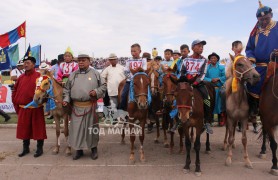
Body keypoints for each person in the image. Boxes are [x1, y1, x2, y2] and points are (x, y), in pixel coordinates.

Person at [63, 53, 106, 160]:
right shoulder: (73, 75)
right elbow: (67, 90)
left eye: (83, 60)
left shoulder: (96, 73)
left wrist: (96, 92)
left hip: (90, 106)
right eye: (79, 60)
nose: (81, 62)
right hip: (76, 107)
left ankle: (94, 149)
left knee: (91, 129)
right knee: (77, 130)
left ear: (89, 61)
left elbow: (104, 86)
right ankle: (79, 150)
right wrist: (66, 100)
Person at [12, 56, 47, 158]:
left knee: (38, 129)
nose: (25, 65)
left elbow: (45, 92)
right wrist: (16, 102)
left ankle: (39, 148)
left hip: (36, 108)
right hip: (24, 108)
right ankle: (25, 148)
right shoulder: (21, 78)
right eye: (24, 63)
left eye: (28, 62)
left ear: (33, 64)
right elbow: (15, 90)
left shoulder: (40, 77)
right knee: (24, 129)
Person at [180, 40, 213, 134]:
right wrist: (185, 80)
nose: (201, 48)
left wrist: (196, 82)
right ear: (192, 48)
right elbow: (182, 72)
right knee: (177, 96)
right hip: (186, 82)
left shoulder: (204, 60)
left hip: (198, 83)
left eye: (202, 47)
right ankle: (177, 120)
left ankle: (207, 121)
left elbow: (203, 73)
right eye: (199, 46)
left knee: (207, 98)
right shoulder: (186, 60)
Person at [119, 43, 147, 111]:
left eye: (135, 51)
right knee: (123, 95)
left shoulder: (143, 60)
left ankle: (150, 113)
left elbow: (144, 70)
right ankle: (122, 110)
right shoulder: (128, 60)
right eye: (131, 51)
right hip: (130, 81)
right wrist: (132, 78)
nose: (133, 53)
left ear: (140, 51)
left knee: (150, 95)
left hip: (141, 83)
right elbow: (125, 71)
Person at [101, 53, 125, 122]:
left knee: (121, 105)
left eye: (114, 59)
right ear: (109, 60)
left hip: (121, 91)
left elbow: (127, 77)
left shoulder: (122, 68)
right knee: (113, 105)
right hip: (112, 90)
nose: (113, 61)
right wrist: (105, 82)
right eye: (111, 60)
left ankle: (122, 118)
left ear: (117, 60)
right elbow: (102, 77)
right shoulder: (107, 69)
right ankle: (114, 119)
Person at [204, 52, 226, 126]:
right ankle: (211, 119)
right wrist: (210, 80)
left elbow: (225, 76)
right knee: (210, 104)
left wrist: (218, 78)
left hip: (219, 89)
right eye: (211, 58)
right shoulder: (207, 68)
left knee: (219, 104)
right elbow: (204, 77)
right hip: (210, 89)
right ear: (209, 60)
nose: (213, 59)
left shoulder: (221, 67)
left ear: (217, 59)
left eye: (214, 58)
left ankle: (220, 118)